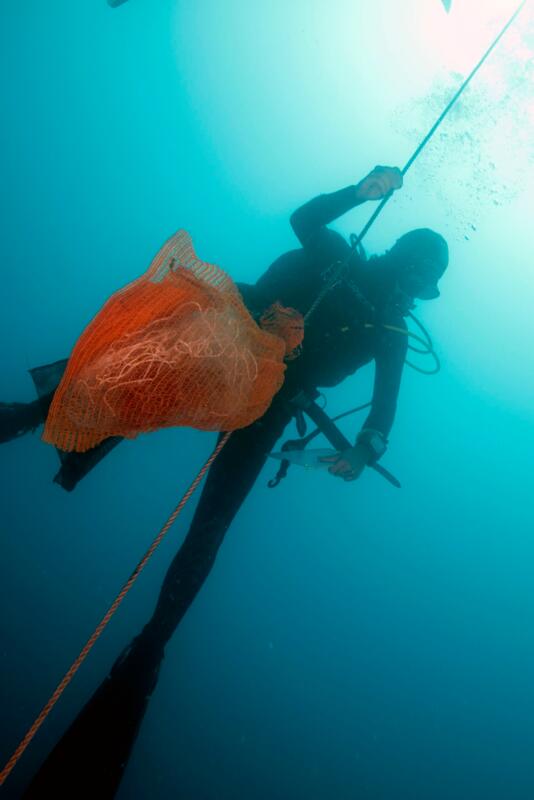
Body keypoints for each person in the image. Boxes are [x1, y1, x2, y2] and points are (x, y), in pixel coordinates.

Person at [17, 165, 449, 796]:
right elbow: (304, 221)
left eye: (419, 284)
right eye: (413, 275)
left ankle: (150, 649)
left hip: (272, 400)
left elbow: (385, 409)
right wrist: (359, 193)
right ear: (401, 260)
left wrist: (363, 449)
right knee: (128, 387)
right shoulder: (342, 260)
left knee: (213, 523)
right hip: (228, 343)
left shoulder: (390, 330)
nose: (410, 290)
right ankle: (31, 418)